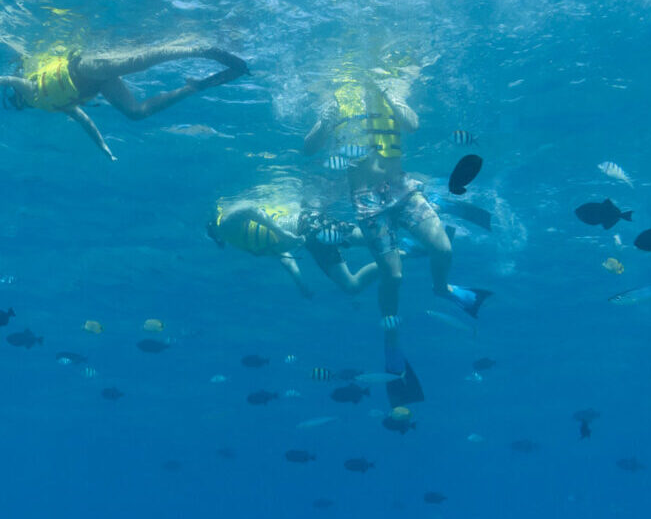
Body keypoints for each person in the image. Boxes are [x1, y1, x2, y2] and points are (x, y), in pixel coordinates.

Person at [299, 67, 488, 335]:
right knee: (393, 275)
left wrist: (387, 91)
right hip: (366, 200)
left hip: (402, 189)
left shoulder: (390, 90)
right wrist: (324, 124)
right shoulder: (339, 100)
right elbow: (308, 148)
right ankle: (390, 325)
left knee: (443, 249)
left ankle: (442, 289)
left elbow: (412, 124)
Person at [0, 40, 249, 159]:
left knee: (137, 62)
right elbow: (85, 121)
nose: (19, 102)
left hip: (84, 68)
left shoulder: (31, 90)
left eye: (15, 100)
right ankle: (194, 87)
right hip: (98, 84)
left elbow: (15, 80)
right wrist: (103, 147)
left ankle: (199, 50)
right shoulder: (50, 105)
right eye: (16, 104)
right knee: (135, 113)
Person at [206, 175, 376, 299]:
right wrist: (301, 284)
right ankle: (396, 251)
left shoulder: (225, 224)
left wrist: (282, 233)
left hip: (308, 225)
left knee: (364, 254)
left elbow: (249, 207)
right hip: (309, 234)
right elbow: (284, 256)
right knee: (354, 280)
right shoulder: (240, 240)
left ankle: (395, 249)